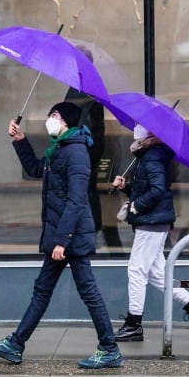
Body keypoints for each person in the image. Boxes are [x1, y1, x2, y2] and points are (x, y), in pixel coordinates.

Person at [0, 102, 124, 369]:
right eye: (49, 115)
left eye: (54, 116)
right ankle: (15, 344)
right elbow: (36, 169)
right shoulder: (59, 149)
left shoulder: (77, 152)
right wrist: (20, 141)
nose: (50, 120)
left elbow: (77, 200)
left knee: (87, 292)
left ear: (67, 121)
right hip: (62, 235)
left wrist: (62, 240)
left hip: (71, 237)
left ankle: (109, 348)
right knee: (43, 291)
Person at [112, 124, 189, 342]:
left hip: (151, 223)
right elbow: (150, 188)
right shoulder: (148, 156)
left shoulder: (152, 157)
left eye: (143, 127)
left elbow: (158, 190)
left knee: (136, 271)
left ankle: (134, 324)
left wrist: (136, 205)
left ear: (153, 134)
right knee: (158, 275)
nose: (137, 129)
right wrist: (126, 188)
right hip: (154, 221)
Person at [64, 45, 122, 247]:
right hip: (86, 147)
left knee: (86, 192)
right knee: (86, 191)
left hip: (84, 148)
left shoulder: (84, 87)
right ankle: (94, 230)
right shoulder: (82, 85)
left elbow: (82, 121)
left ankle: (92, 230)